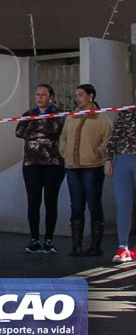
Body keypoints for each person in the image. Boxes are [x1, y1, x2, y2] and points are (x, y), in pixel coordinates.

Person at [59, 84, 112, 257]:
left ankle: (96, 246)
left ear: (91, 96)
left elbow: (108, 140)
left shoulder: (101, 118)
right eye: (76, 95)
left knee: (94, 204)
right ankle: (76, 246)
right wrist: (65, 151)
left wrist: (98, 152)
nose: (77, 98)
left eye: (81, 95)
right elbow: (63, 136)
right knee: (76, 205)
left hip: (92, 167)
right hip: (72, 167)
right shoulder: (72, 117)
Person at [15, 84, 66, 254]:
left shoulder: (58, 114)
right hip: (31, 164)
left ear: (50, 97)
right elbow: (20, 131)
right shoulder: (28, 114)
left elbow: (54, 129)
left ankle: (49, 240)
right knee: (33, 201)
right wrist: (40, 132)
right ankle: (34, 239)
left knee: (51, 202)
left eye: (43, 94)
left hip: (53, 163)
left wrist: (35, 131)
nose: (40, 97)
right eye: (37, 94)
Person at [104, 99, 136, 263]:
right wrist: (109, 159)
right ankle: (123, 247)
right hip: (123, 161)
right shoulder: (125, 111)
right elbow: (114, 136)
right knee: (124, 205)